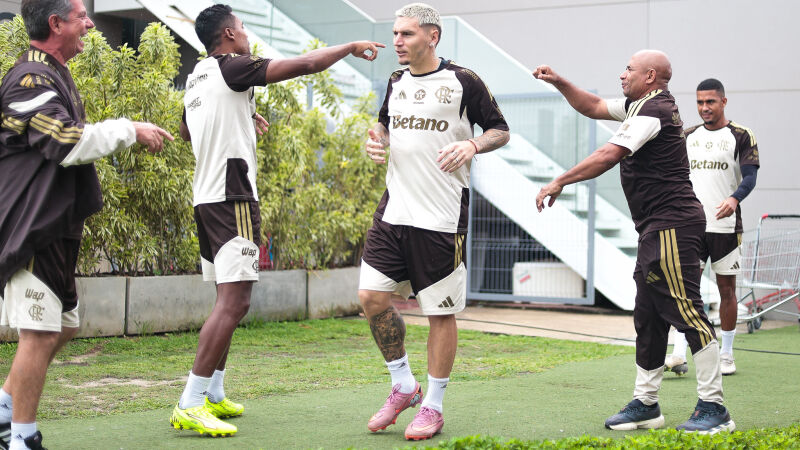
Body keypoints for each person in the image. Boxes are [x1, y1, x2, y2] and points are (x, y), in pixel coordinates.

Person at [173, 4, 384, 438]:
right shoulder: (232, 65)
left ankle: (213, 393)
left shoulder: (198, 76)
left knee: (224, 300)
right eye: (244, 27)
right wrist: (349, 46)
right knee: (236, 303)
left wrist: (243, 117)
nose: (247, 34)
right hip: (232, 200)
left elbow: (187, 131)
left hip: (205, 199)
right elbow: (305, 64)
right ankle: (189, 402)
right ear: (229, 35)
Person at [0, 0, 173, 448]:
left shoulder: (53, 73)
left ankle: (2, 411)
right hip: (31, 228)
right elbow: (64, 141)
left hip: (55, 226)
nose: (90, 24)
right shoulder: (29, 78)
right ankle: (22, 438)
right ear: (55, 24)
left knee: (65, 326)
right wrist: (130, 129)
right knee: (40, 332)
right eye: (81, 16)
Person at [533, 50, 734, 434]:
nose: (621, 74)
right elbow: (591, 105)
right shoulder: (639, 105)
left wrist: (559, 180)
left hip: (673, 226)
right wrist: (559, 81)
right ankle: (646, 404)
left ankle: (714, 407)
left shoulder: (653, 111)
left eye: (629, 69)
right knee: (649, 316)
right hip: (655, 228)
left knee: (688, 313)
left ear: (650, 75)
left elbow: (610, 154)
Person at [360, 2, 509, 441]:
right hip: (394, 212)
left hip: (442, 218)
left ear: (432, 37)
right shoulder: (395, 80)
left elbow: (500, 128)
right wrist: (378, 139)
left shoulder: (463, 81)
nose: (397, 42)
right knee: (371, 297)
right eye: (395, 34)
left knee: (440, 314)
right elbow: (384, 124)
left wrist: (473, 147)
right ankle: (404, 383)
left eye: (406, 34)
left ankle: (434, 406)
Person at [665, 79, 759, 377]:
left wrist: (734, 198)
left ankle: (728, 355)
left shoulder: (741, 136)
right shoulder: (687, 135)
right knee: (684, 292)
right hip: (691, 225)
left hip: (726, 227)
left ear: (723, 102)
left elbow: (750, 177)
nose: (705, 108)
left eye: (711, 102)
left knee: (726, 290)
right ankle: (679, 353)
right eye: (700, 102)